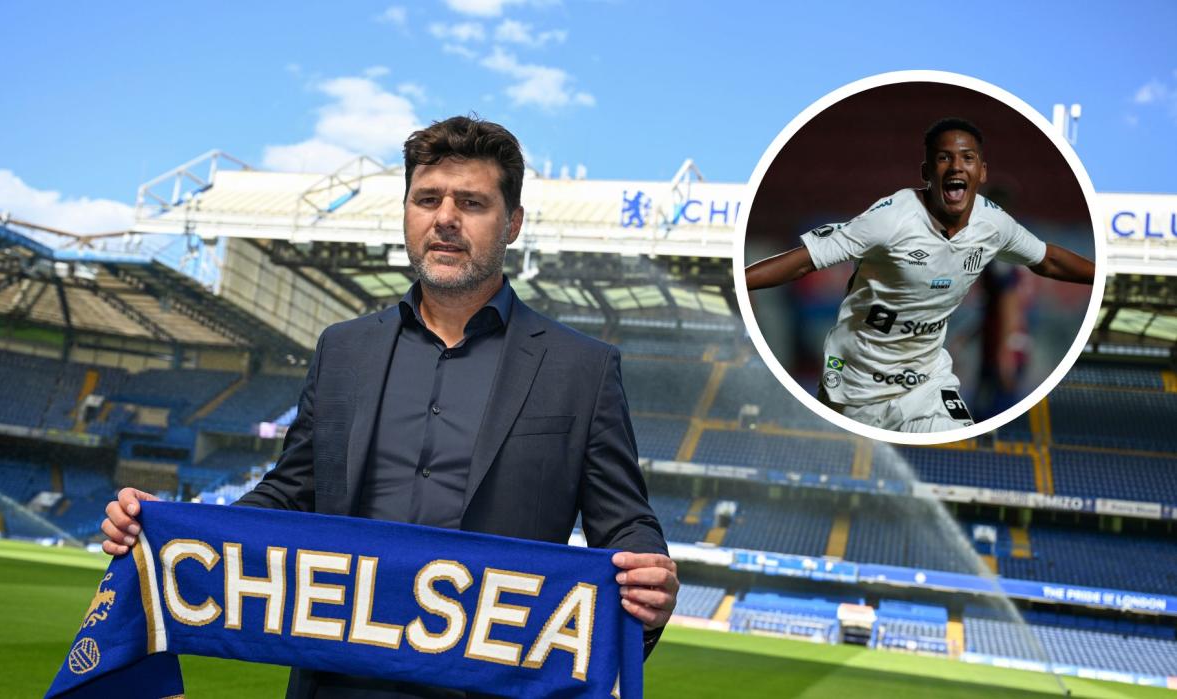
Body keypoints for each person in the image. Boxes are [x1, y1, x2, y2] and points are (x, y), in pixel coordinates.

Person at [101, 115, 679, 697]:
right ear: (407, 212)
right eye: (427, 199)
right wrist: (171, 529)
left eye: (472, 203)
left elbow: (623, 519)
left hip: (493, 686)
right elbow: (290, 493)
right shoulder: (344, 349)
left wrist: (647, 570)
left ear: (513, 224)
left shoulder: (581, 368)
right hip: (336, 682)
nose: (445, 218)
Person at [744, 118, 1094, 432]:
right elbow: (804, 261)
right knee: (841, 459)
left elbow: (1048, 260)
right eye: (944, 158)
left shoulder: (994, 224)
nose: (956, 166)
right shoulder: (890, 219)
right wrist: (736, 280)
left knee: (957, 452)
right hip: (857, 376)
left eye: (967, 158)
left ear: (981, 172)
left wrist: (1107, 275)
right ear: (927, 171)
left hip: (926, 380)